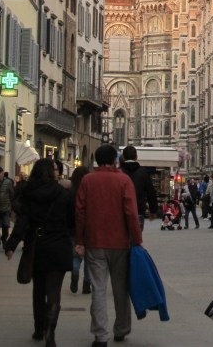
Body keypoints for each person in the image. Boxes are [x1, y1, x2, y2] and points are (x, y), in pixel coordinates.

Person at [75, 144, 143, 346]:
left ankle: (100, 335)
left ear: (97, 160)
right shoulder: (124, 180)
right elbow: (131, 213)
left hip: (95, 242)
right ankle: (121, 329)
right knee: (121, 288)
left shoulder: (87, 180)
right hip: (120, 243)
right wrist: (137, 240)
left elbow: (80, 212)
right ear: (115, 160)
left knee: (98, 289)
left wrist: (79, 241)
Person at [5, 157, 73, 347]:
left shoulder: (29, 194)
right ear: (52, 173)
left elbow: (22, 221)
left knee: (39, 290)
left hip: (37, 245)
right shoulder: (64, 194)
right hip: (59, 245)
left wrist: (11, 245)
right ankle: (50, 332)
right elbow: (72, 221)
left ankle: (38, 327)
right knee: (54, 291)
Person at [119, 145, 159, 230]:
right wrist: (153, 210)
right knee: (137, 235)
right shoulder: (143, 172)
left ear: (123, 157)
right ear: (136, 157)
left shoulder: (118, 172)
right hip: (138, 211)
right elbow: (151, 192)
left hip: (121, 212)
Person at [69, 166, 91, 294]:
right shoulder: (90, 194)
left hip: (73, 230)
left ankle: (75, 270)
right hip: (89, 230)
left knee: (75, 256)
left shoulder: (70, 194)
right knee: (89, 259)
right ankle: (87, 283)